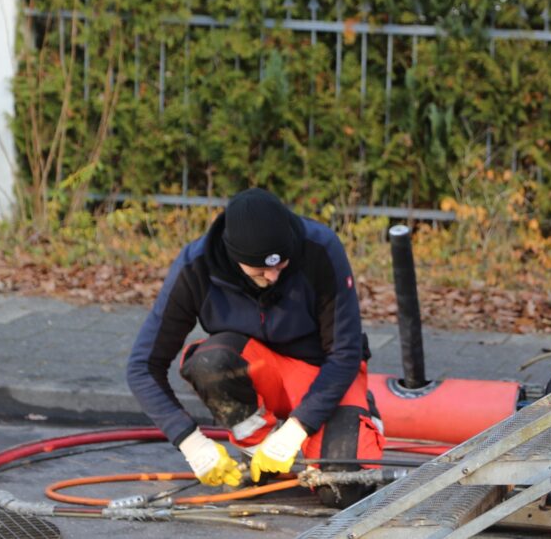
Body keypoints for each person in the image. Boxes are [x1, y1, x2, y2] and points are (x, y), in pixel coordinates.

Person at [126, 188, 384, 507]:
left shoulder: (321, 248)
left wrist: (296, 430)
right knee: (209, 363)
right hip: (261, 371)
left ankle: (355, 415)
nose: (273, 276)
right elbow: (142, 367)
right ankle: (258, 449)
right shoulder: (195, 268)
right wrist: (191, 443)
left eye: (281, 264)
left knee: (346, 491)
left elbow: (345, 354)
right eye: (260, 269)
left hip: (324, 376)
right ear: (234, 257)